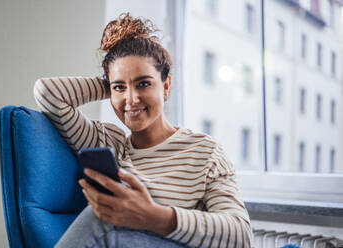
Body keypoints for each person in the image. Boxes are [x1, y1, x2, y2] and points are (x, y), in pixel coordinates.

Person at [33, 13, 253, 248]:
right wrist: (112, 81)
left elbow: (241, 235)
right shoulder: (110, 144)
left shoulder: (205, 151)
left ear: (166, 86)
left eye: (143, 83)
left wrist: (155, 217)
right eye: (119, 88)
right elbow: (49, 93)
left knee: (99, 218)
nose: (132, 99)